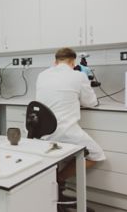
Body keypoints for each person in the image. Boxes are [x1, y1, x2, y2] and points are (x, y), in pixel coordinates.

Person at [36, 47, 106, 185]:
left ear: (55, 61)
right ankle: (59, 179)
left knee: (58, 153)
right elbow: (91, 102)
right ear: (73, 63)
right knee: (96, 155)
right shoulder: (78, 75)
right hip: (62, 132)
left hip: (38, 131)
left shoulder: (42, 74)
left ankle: (49, 182)